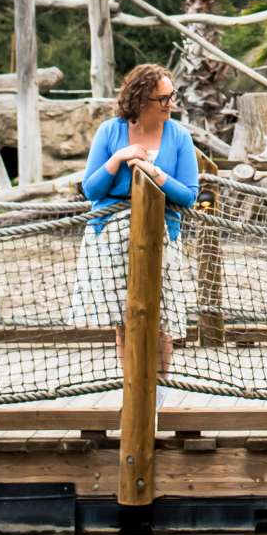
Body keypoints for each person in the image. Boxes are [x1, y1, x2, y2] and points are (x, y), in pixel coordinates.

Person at [73, 62, 200, 378]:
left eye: (172, 95)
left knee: (161, 317)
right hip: (111, 234)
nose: (171, 103)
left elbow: (188, 195)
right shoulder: (110, 131)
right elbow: (91, 189)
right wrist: (118, 159)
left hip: (161, 233)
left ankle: (159, 386)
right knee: (124, 317)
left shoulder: (179, 136)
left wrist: (156, 174)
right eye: (163, 98)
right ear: (141, 99)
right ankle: (131, 387)